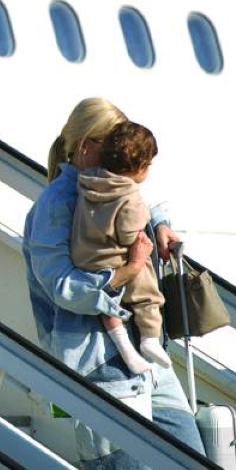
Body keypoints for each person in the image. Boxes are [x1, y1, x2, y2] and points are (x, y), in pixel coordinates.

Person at [23, 98, 205, 470]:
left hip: (148, 360)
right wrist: (127, 272)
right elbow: (62, 287)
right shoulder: (55, 205)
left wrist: (159, 223)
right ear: (88, 146)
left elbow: (132, 208)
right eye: (113, 145)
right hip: (99, 367)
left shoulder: (110, 189)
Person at [73, 121, 172, 376]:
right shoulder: (130, 196)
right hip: (115, 260)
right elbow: (128, 233)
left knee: (108, 307)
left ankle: (127, 352)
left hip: (86, 257)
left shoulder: (88, 181)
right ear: (140, 166)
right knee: (146, 285)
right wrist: (142, 235)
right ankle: (150, 337)